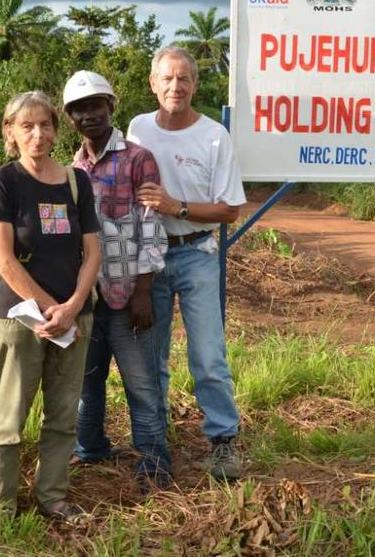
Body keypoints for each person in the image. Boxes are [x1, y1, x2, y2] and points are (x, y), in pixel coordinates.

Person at [126, 46, 247, 481]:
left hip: (197, 252)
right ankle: (155, 441)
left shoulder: (214, 136)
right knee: (150, 354)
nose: (175, 87)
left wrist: (176, 207)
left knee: (208, 353)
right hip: (151, 256)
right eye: (167, 79)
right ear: (152, 83)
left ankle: (222, 440)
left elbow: (230, 209)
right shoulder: (138, 129)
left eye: (184, 79)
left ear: (195, 85)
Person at [0, 91, 101, 521]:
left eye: (45, 125)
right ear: (10, 132)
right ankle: (3, 507)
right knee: (10, 421)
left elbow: (92, 253)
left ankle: (53, 497)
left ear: (56, 129)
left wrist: (72, 308)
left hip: (73, 319)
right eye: (27, 126)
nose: (38, 134)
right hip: (22, 321)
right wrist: (53, 309)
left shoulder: (76, 181)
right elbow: (3, 260)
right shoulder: (4, 181)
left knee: (63, 415)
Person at [62, 70, 172, 491]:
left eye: (95, 106)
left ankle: (154, 462)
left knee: (141, 384)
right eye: (79, 109)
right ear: (70, 117)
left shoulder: (137, 158)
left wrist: (144, 290)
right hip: (87, 299)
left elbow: (151, 224)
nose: (88, 115)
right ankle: (90, 448)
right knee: (87, 383)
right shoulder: (71, 169)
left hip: (129, 295)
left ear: (111, 106)